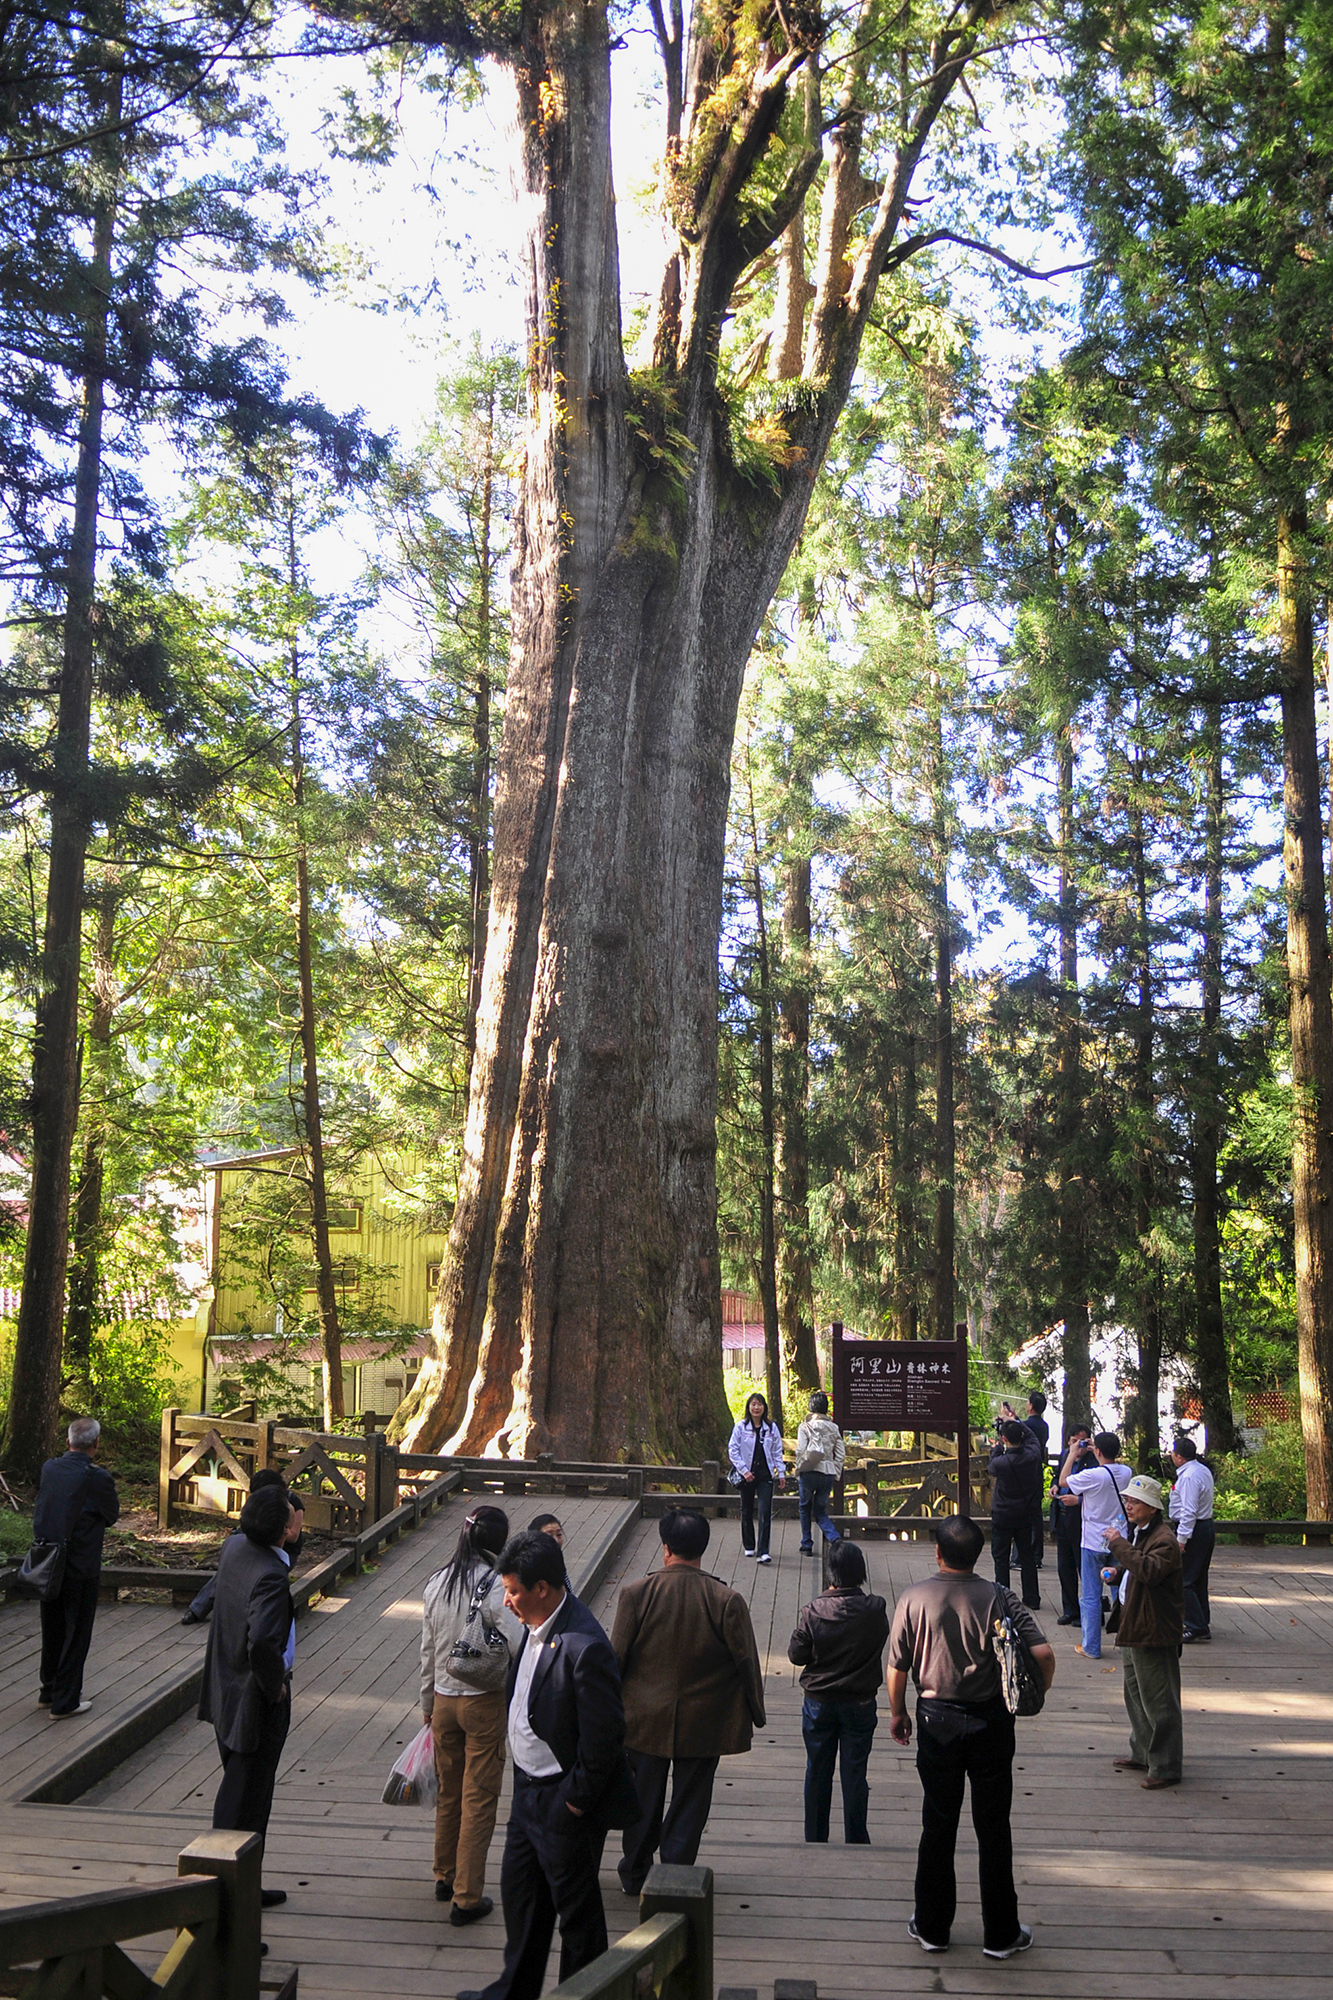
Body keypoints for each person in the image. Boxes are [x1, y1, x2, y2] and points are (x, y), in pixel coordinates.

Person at [455, 1530, 639, 2000]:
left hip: (563, 1797)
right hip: (527, 1792)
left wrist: (574, 1803)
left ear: (542, 1589)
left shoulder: (584, 1645)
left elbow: (605, 1737)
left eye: (514, 1591)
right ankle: (513, 1991)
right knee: (522, 1900)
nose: (507, 1600)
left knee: (576, 1914)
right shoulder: (534, 1627)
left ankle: (583, 1993)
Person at [887, 1516, 1055, 1959]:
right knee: (993, 1826)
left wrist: (897, 1712)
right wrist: (1036, 1690)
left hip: (935, 1719)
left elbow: (897, 1665)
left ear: (937, 1552)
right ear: (978, 1553)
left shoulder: (914, 1597)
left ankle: (932, 1927)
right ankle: (1000, 1934)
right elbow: (1043, 1653)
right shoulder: (1000, 1596)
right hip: (991, 1722)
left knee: (938, 1823)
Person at [612, 1508, 765, 1893]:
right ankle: (676, 1872)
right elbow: (746, 1660)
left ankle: (634, 1870)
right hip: (704, 1719)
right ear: (703, 1549)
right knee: (691, 1799)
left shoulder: (635, 1594)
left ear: (666, 1548)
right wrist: (755, 1712)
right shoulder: (725, 1599)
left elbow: (615, 1658)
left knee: (642, 1796)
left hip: (643, 1717)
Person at [199, 1482, 301, 1911]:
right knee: (247, 1803)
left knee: (238, 1791)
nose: (300, 1514)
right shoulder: (271, 1577)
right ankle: (228, 1907)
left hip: (225, 1688)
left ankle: (244, 1888)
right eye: (293, 1512)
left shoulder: (235, 1548)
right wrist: (274, 1684)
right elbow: (262, 1642)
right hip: (255, 1700)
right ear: (283, 1528)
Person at [421, 1505, 523, 1925]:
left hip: (443, 1700)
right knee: (478, 1798)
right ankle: (467, 1896)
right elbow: (517, 1643)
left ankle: (444, 1874)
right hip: (483, 1701)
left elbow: (427, 1652)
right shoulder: (498, 1587)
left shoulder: (436, 1582)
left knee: (449, 1792)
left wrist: (427, 1705)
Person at [788, 1539, 889, 1843]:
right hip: (860, 1700)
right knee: (855, 1773)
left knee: (817, 1771)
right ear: (861, 1573)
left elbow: (796, 1655)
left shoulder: (813, 1611)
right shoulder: (875, 1608)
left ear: (831, 1574)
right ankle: (856, 1836)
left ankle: (815, 1836)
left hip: (819, 1702)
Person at [1101, 1473, 1184, 1789]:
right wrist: (1117, 1572)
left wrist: (1118, 1545)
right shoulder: (1141, 1533)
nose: (1129, 1505)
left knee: (1159, 1700)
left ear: (1152, 1507)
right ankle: (1142, 1752)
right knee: (1135, 1695)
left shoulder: (1164, 1539)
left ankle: (1165, 1766)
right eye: (1128, 1499)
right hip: (1133, 1624)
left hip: (1153, 1630)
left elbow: (1149, 1569)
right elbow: (1138, 1565)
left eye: (1135, 1501)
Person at [33, 1416, 119, 1718]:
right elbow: (111, 1515)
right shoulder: (97, 1478)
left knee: (52, 1627)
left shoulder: (50, 1468)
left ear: (68, 1441)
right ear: (96, 1444)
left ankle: (48, 1690)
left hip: (47, 1559)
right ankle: (65, 1700)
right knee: (77, 1632)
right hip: (81, 1564)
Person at [181, 1471, 304, 1625]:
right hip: (257, 1545)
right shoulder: (258, 1502)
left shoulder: (293, 1503)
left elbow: (293, 1536)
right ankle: (197, 1609)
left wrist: (271, 1529)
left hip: (282, 1552)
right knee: (227, 1570)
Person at [1058, 1430, 1132, 1659]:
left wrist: (1072, 1454)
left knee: (1091, 1594)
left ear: (1096, 1451)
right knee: (1121, 1589)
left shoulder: (1093, 1475)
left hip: (1092, 1541)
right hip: (1119, 1538)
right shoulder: (1126, 1472)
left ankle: (1091, 1646)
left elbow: (1063, 1481)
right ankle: (1127, 1639)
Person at [987, 1422, 1043, 1609]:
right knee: (1026, 1555)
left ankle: (1004, 1599)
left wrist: (996, 1450)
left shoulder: (1000, 1462)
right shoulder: (1032, 1455)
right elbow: (1033, 1437)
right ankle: (1032, 1598)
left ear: (1004, 1439)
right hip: (1025, 1512)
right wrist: (1017, 1422)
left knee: (1001, 1557)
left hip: (1003, 1513)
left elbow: (991, 1467)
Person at [727, 1393, 786, 1563]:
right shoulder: (741, 1427)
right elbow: (733, 1449)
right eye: (753, 1404)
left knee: (765, 1511)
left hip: (765, 1475)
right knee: (746, 1510)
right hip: (747, 1475)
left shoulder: (771, 1427)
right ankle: (749, 1545)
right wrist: (744, 1470)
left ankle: (763, 1551)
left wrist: (780, 1472)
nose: (756, 1407)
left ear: (764, 1407)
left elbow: (776, 1451)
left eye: (759, 1404)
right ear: (748, 1407)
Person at [1168, 1437, 1215, 1643]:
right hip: (1205, 1526)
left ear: (1179, 1457)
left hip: (1193, 1528)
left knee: (1184, 1580)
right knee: (1198, 1578)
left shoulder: (1188, 1477)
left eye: (1173, 1453)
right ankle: (1202, 1620)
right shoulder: (1202, 1470)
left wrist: (1181, 1539)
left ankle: (1195, 1625)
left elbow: (1189, 1510)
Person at [794, 1391, 844, 1555]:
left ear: (810, 1407)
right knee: (820, 1510)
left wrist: (799, 1468)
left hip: (809, 1472)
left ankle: (806, 1544)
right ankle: (835, 1538)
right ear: (825, 1408)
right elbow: (840, 1454)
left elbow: (801, 1450)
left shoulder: (805, 1427)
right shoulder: (834, 1427)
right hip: (827, 1473)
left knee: (804, 1507)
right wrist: (835, 1472)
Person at [1050, 1424, 1091, 1624]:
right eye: (1074, 1442)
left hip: (1081, 1518)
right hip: (1063, 1514)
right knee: (1064, 1566)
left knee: (1084, 1566)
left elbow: (1100, 1492)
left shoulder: (1093, 1461)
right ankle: (1070, 1610)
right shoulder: (1065, 1454)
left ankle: (1090, 1611)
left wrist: (1079, 1500)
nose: (1077, 1447)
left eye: (1081, 1442)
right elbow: (1057, 1477)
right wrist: (1054, 1487)